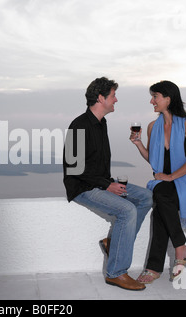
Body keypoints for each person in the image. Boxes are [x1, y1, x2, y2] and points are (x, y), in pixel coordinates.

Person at [63, 77, 153, 291]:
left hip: (101, 182)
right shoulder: (79, 125)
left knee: (147, 197)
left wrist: (107, 183)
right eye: (113, 95)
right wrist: (106, 186)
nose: (116, 100)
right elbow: (74, 169)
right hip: (82, 187)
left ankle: (115, 244)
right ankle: (116, 272)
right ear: (101, 98)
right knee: (127, 210)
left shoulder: (102, 123)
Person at [130, 80, 186, 284]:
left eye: (155, 96)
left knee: (161, 200)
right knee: (162, 202)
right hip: (166, 179)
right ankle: (181, 250)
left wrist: (172, 176)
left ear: (168, 99)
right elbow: (154, 161)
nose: (151, 100)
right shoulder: (153, 127)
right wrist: (138, 145)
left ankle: (154, 268)